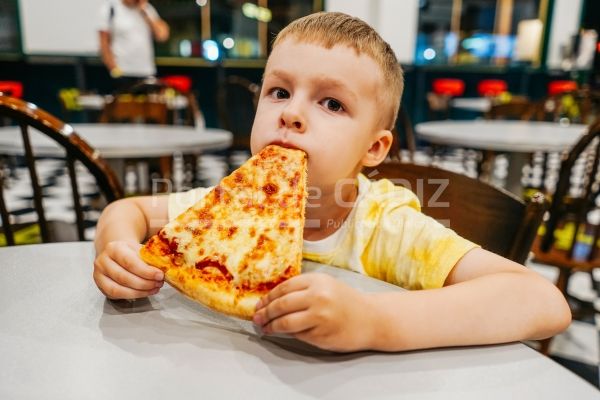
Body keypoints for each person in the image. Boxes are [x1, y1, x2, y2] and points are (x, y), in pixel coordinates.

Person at [93, 12, 571, 352]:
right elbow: (127, 211)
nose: (293, 113)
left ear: (374, 149)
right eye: (279, 91)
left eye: (332, 104)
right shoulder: (230, 207)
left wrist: (373, 322)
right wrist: (119, 253)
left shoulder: (385, 227)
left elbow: (542, 302)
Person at [98, 0, 169, 90]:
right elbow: (104, 43)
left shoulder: (147, 9)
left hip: (146, 72)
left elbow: (162, 36)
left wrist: (144, 12)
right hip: (122, 73)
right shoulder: (111, 9)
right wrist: (113, 69)